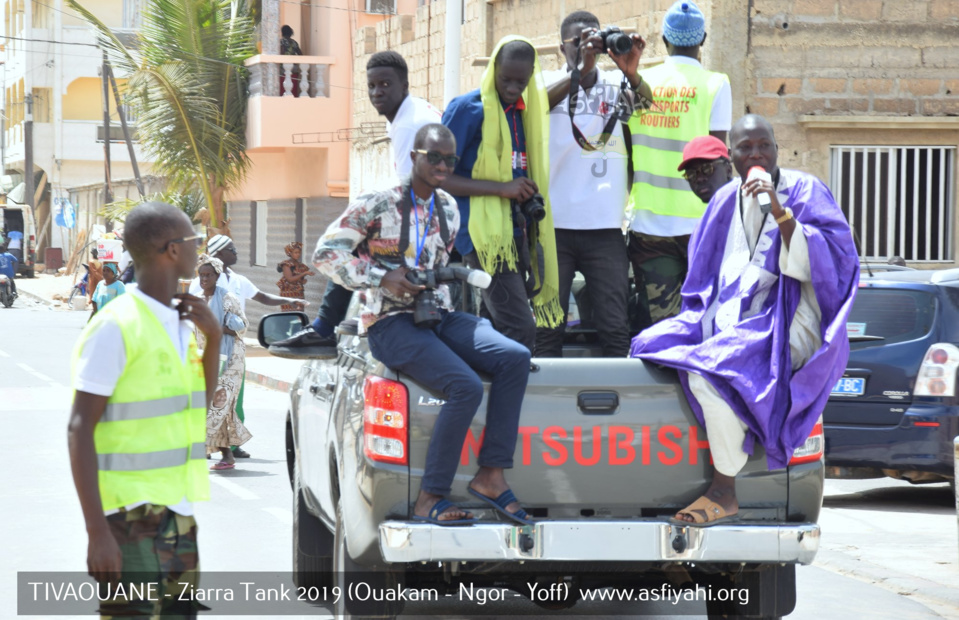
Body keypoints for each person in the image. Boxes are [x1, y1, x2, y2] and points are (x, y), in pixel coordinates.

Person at [630, 115, 859, 525]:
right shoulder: (723, 200)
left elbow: (833, 266)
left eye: (764, 145)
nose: (756, 154)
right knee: (650, 344)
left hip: (791, 314)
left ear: (776, 148)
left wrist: (779, 209)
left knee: (707, 371)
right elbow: (701, 279)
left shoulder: (805, 190)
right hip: (730, 317)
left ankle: (724, 487)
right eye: (745, 148)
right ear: (731, 155)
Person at [314, 124, 533, 525]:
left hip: (437, 314)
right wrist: (383, 277)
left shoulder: (448, 206)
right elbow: (326, 254)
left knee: (515, 357)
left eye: (450, 159)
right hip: (388, 322)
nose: (443, 166)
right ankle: (430, 497)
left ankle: (491, 475)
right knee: (464, 385)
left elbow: (440, 264)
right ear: (414, 155)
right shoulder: (378, 203)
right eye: (434, 157)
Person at [67, 202, 219, 616]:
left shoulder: (182, 320)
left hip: (177, 516)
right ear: (172, 249)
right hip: (128, 520)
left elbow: (196, 409)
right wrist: (97, 532)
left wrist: (215, 340)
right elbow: (79, 429)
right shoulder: (116, 325)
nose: (199, 250)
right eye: (195, 241)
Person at [270, 50, 441, 356]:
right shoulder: (408, 113)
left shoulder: (407, 125)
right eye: (372, 85)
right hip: (434, 205)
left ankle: (324, 329)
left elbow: (408, 192)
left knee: (349, 245)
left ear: (404, 85)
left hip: (433, 211)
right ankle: (334, 323)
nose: (378, 92)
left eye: (386, 85)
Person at [535, 10, 651, 358]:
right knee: (548, 325)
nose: (584, 48)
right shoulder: (544, 84)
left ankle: (618, 409)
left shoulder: (616, 86)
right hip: (554, 227)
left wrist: (632, 72)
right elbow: (534, 107)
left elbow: (647, 107)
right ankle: (545, 406)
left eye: (591, 42)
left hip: (604, 227)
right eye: (576, 43)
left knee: (615, 326)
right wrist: (581, 71)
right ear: (561, 47)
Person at [441, 36, 562, 353]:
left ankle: (483, 396)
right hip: (484, 237)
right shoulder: (468, 109)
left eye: (520, 81)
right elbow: (438, 176)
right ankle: (513, 401)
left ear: (531, 75)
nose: (512, 87)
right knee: (519, 328)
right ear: (494, 68)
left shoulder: (525, 112)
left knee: (493, 326)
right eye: (505, 78)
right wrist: (503, 188)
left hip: (516, 232)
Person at [627, 0, 732, 332]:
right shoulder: (716, 84)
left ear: (663, 40)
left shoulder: (640, 81)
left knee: (664, 327)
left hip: (649, 223)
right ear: (702, 40)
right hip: (702, 224)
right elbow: (718, 154)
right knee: (707, 319)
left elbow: (627, 152)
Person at [188, 235, 302, 458]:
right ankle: (210, 445)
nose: (236, 253)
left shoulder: (237, 281)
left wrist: (290, 303)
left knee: (232, 398)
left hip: (233, 349)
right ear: (220, 253)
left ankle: (230, 446)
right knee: (211, 396)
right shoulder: (200, 282)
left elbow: (261, 298)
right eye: (232, 249)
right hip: (207, 350)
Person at [196, 254, 252, 471]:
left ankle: (204, 447)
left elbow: (243, 326)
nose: (204, 279)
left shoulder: (228, 298)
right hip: (208, 359)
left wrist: (219, 330)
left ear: (217, 276)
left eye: (208, 275)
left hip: (230, 360)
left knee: (218, 404)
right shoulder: (199, 300)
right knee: (220, 406)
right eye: (201, 275)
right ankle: (227, 455)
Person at [677, 135, 734, 204]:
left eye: (707, 169)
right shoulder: (715, 211)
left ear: (728, 170)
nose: (699, 179)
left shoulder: (744, 206)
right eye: (691, 174)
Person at [276, 241, 315, 310]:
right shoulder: (286, 264)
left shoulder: (301, 265)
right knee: (290, 313)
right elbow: (290, 279)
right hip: (288, 293)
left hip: (298, 293)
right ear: (290, 253)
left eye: (299, 252)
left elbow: (299, 278)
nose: (298, 254)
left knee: (299, 314)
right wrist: (304, 273)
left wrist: (302, 281)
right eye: (295, 252)